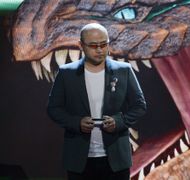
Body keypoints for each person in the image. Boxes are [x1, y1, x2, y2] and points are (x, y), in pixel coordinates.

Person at [47, 23, 146, 180]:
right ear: (81, 45)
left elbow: (139, 106)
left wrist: (119, 121)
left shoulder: (124, 70)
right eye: (93, 45)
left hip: (116, 159)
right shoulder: (67, 73)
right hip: (79, 159)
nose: (100, 50)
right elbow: (53, 108)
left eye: (103, 44)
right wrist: (76, 122)